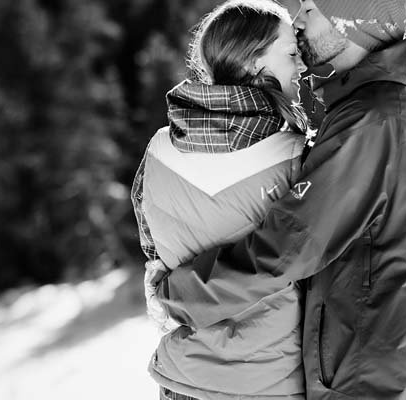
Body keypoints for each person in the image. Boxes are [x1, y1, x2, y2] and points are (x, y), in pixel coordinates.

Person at [156, 0, 406, 399]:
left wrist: (177, 294)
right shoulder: (388, 105)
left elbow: (290, 244)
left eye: (312, 11)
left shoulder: (373, 116)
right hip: (388, 364)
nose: (298, 21)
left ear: (352, 24)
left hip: (373, 375)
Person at [131, 0, 312, 398]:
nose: (301, 67)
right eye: (292, 54)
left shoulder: (157, 152)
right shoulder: (297, 158)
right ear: (252, 63)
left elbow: (151, 249)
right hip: (268, 382)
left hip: (185, 378)